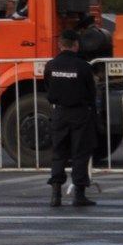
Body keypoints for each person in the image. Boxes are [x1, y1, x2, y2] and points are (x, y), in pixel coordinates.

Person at [45, 29, 100, 207]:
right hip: (80, 113)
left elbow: (48, 89)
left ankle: (55, 195)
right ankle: (79, 195)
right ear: (76, 45)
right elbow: (91, 91)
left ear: (60, 45)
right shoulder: (83, 66)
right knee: (80, 154)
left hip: (59, 112)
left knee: (59, 153)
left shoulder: (51, 65)